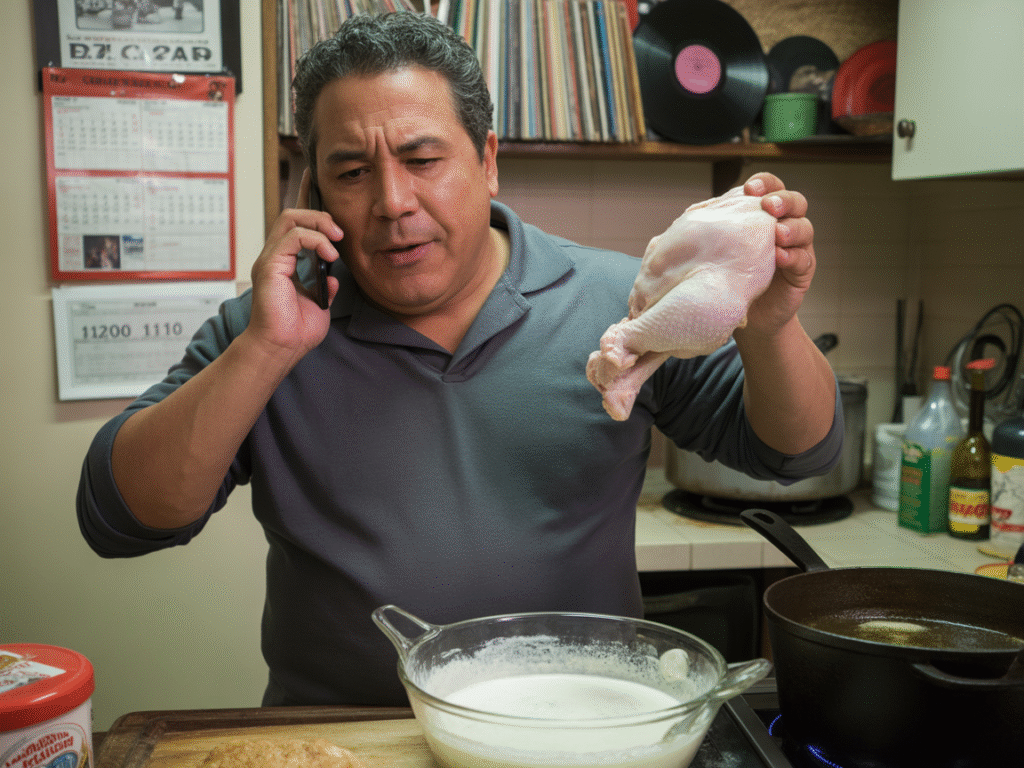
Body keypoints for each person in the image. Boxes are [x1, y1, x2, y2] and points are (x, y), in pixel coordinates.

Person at [77, 12, 840, 707]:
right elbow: (121, 518)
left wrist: (771, 326)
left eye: (422, 158)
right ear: (315, 191)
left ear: (487, 159)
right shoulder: (269, 328)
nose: (392, 201)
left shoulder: (625, 301)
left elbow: (796, 452)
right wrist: (267, 348)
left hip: (577, 734)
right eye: (352, 172)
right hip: (342, 743)